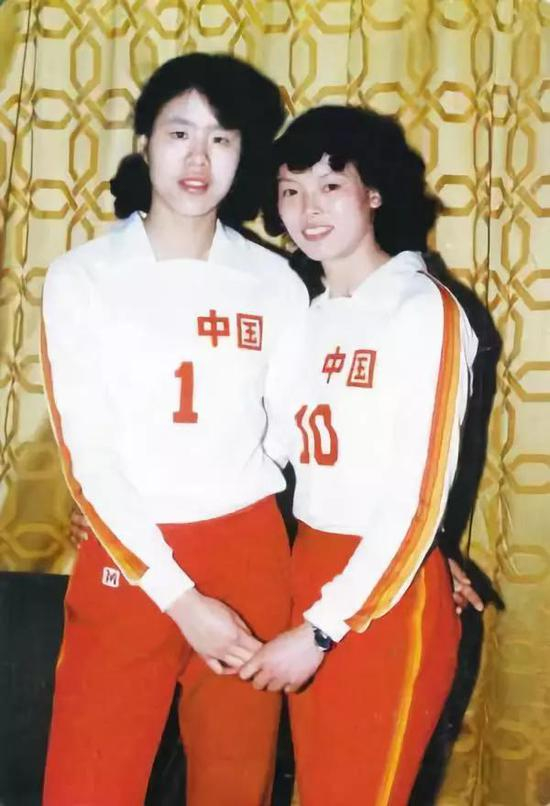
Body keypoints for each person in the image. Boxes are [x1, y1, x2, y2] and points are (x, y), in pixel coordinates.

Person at [40, 53, 309, 806]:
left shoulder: (274, 282)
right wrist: (182, 599)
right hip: (133, 551)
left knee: (235, 780)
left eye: (221, 139)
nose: (198, 158)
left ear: (242, 155)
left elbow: (296, 437)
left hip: (249, 548)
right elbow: (89, 454)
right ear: (144, 143)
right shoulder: (84, 277)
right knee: (89, 783)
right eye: (179, 133)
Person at [239, 105, 479, 806]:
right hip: (311, 568)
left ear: (373, 191)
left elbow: (415, 501)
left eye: (330, 186)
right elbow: (261, 450)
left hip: (380, 602)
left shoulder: (421, 310)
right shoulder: (307, 317)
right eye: (290, 190)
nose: (307, 209)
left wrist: (320, 631)